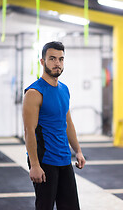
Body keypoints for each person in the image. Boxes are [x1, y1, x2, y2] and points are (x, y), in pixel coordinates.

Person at [23, 41, 86, 210]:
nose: (57, 63)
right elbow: (29, 131)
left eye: (61, 59)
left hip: (64, 158)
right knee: (45, 207)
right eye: (52, 58)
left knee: (71, 207)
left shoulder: (64, 89)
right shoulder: (34, 93)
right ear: (42, 62)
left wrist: (78, 151)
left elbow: (68, 123)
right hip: (45, 160)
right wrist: (35, 165)